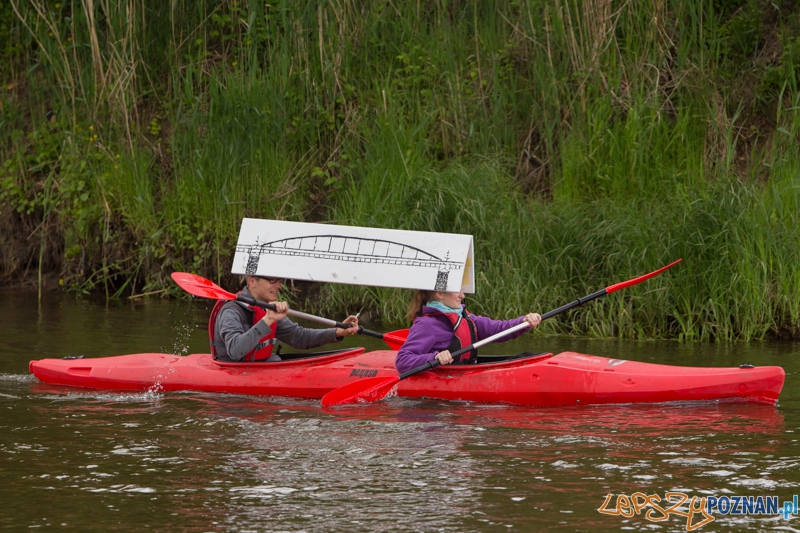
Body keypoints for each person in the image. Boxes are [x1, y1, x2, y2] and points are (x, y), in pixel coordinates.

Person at [209, 275, 359, 362]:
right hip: (231, 370)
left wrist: (337, 332)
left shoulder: (267, 308)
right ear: (252, 281)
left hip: (258, 367)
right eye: (272, 280)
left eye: (279, 281)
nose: (279, 286)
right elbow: (235, 350)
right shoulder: (231, 311)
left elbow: (300, 337)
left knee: (275, 360)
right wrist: (267, 320)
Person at [395, 287, 541, 374]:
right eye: (457, 290)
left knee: (527, 356)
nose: (462, 295)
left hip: (468, 371)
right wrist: (435, 357)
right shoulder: (426, 324)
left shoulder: (467, 318)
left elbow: (499, 329)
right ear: (439, 293)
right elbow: (403, 360)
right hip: (447, 379)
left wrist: (524, 322)